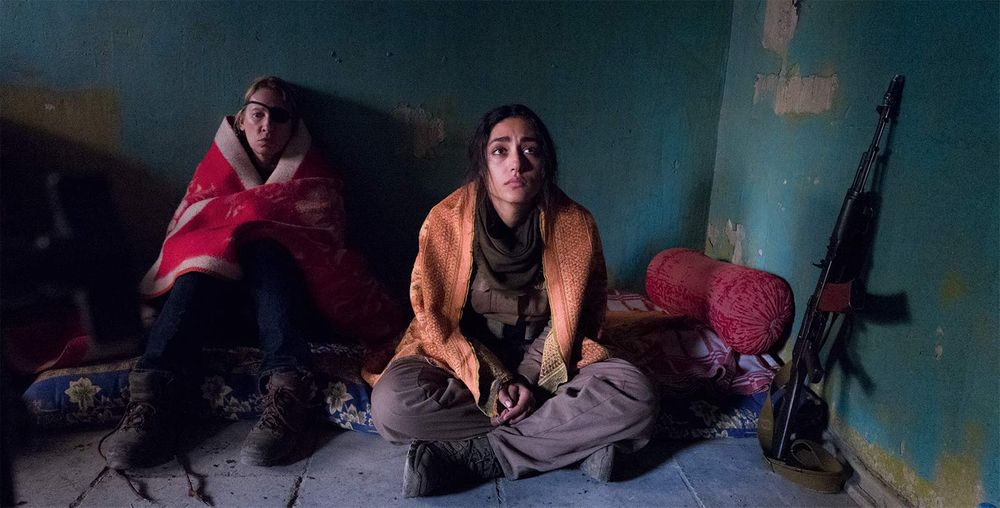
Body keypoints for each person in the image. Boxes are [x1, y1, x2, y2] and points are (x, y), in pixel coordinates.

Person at [101, 76, 404, 468]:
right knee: (201, 258)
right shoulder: (213, 174)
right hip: (218, 310)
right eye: (257, 115)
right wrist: (227, 237)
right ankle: (152, 395)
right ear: (240, 121)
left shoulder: (316, 178)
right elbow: (183, 235)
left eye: (279, 117)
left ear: (293, 127)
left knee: (267, 247)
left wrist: (255, 226)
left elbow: (328, 251)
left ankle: (287, 391)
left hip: (290, 313)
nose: (267, 126)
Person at [368, 104, 658, 497]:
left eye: (530, 150)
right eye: (500, 150)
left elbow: (578, 322)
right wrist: (496, 384)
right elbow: (435, 319)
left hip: (551, 363)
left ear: (545, 163)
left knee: (636, 395)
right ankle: (569, 443)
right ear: (483, 162)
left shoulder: (575, 225)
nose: (516, 164)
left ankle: (478, 455)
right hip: (463, 362)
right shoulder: (446, 221)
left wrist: (527, 380)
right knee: (392, 405)